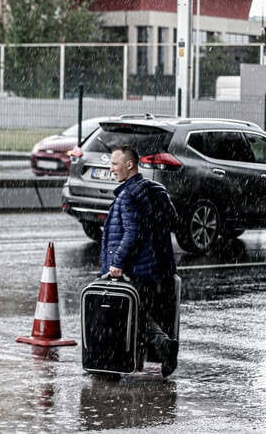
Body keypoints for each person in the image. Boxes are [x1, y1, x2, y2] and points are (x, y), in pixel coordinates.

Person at [101, 145, 181, 378]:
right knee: (147, 311)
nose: (111, 168)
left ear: (129, 165)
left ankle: (163, 345)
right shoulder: (156, 190)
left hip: (137, 269)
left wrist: (117, 262)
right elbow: (172, 220)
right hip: (159, 267)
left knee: (131, 314)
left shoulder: (128, 195)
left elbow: (132, 233)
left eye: (115, 164)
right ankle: (139, 361)